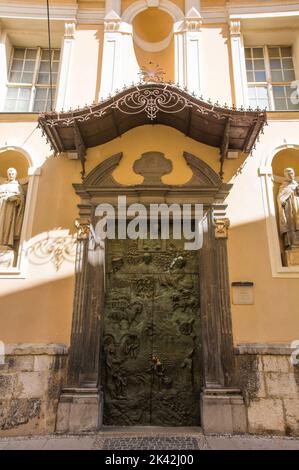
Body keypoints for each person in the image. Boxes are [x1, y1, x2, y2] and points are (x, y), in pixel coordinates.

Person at [0, 168, 25, 248]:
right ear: (7, 174)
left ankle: (5, 242)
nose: (11, 175)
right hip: (1, 207)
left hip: (10, 209)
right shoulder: (3, 185)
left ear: (15, 175)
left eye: (12, 174)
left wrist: (15, 199)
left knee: (8, 224)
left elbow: (21, 199)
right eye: (9, 174)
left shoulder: (17, 186)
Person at [277, 168, 299, 248]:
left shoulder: (296, 184)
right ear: (286, 175)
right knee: (291, 224)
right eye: (289, 174)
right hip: (289, 209)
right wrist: (282, 201)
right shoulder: (284, 186)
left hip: (297, 206)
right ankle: (293, 242)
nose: (291, 175)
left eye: (292, 173)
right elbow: (280, 197)